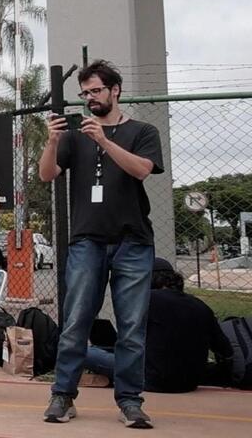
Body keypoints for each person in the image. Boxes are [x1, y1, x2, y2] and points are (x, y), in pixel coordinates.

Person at [39, 59, 165, 428]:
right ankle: (62, 395)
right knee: (76, 320)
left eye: (96, 91)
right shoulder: (75, 136)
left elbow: (142, 169)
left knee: (131, 326)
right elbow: (48, 174)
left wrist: (104, 141)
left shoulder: (142, 130)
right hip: (86, 241)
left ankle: (130, 401)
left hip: (133, 242)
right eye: (85, 93)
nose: (90, 99)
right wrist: (52, 142)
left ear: (115, 91)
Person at [82, 258, 234, 393]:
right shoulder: (201, 306)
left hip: (152, 379)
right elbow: (225, 349)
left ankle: (98, 376)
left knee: (83, 351)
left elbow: (129, 344)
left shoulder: (145, 301)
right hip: (190, 382)